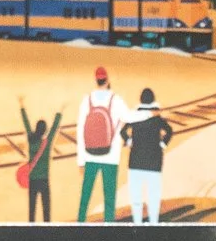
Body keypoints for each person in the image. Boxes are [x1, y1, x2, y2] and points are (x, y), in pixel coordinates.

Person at [74, 65, 132, 223]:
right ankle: (108, 229)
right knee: (109, 198)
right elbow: (129, 117)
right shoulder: (116, 99)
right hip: (110, 157)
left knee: (85, 195)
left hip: (90, 154)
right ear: (107, 81)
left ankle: (80, 223)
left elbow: (80, 130)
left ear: (96, 80)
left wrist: (80, 160)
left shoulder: (87, 100)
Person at [122, 84, 175, 224]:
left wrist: (129, 142)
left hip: (136, 162)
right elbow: (169, 131)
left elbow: (123, 132)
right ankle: (153, 223)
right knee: (153, 197)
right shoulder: (157, 118)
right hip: (154, 162)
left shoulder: (134, 117)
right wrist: (162, 144)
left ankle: (138, 224)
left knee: (136, 199)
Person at [17, 101, 60, 223]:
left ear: (36, 129)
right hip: (44, 180)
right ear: (45, 130)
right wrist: (59, 112)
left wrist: (22, 106)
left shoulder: (31, 140)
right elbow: (54, 128)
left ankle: (31, 234)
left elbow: (26, 124)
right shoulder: (47, 142)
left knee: (32, 211)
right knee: (46, 211)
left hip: (33, 180)